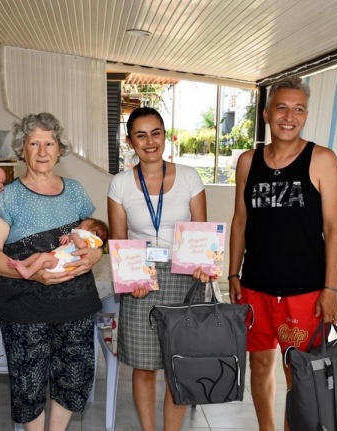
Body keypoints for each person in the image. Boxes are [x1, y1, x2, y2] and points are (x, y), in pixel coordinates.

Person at [228, 76, 337, 431]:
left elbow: (335, 229)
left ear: (305, 116)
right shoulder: (248, 161)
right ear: (266, 114)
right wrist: (233, 275)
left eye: (298, 109)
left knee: (301, 374)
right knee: (260, 365)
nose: (289, 116)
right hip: (257, 287)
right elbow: (240, 221)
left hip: (305, 291)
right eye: (282, 107)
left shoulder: (321, 158)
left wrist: (331, 289)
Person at [0, 112, 104, 431]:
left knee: (73, 377)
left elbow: (94, 236)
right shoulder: (8, 196)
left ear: (59, 148)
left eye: (49, 142)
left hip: (76, 306)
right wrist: (32, 274)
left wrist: (95, 254)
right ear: (22, 149)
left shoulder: (75, 191)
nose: (43, 151)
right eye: (34, 143)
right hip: (25, 308)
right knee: (28, 384)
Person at [107, 106, 208, 431]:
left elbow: (200, 233)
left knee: (179, 365)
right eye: (141, 135)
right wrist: (130, 277)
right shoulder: (120, 184)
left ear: (165, 136)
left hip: (184, 277)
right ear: (130, 141)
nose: (150, 142)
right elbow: (120, 241)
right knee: (144, 365)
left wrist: (204, 264)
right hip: (141, 278)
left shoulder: (190, 176)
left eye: (156, 133)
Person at [7, 217, 108, 278]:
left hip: (63, 264)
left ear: (92, 233)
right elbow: (66, 249)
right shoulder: (78, 238)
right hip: (59, 261)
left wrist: (72, 235)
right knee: (39, 257)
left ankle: (28, 272)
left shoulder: (89, 241)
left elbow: (81, 246)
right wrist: (66, 240)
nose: (76, 228)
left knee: (43, 256)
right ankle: (23, 264)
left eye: (80, 227)